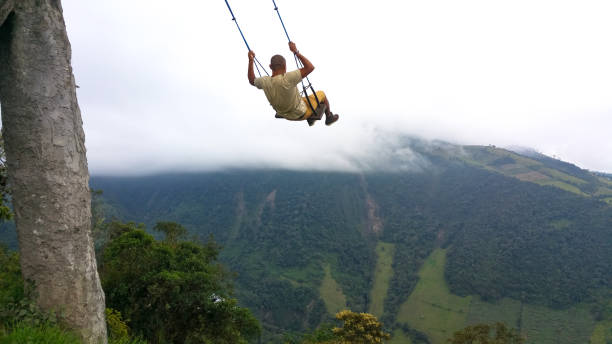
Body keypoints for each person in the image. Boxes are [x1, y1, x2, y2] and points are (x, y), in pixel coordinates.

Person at [248, 42, 339, 126]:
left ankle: (311, 120)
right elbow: (310, 67)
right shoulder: (288, 78)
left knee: (303, 99)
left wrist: (251, 61)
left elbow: (252, 80)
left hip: (284, 114)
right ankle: (329, 117)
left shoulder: (264, 81)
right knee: (321, 94)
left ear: (270, 67)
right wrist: (295, 51)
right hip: (300, 113)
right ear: (285, 66)